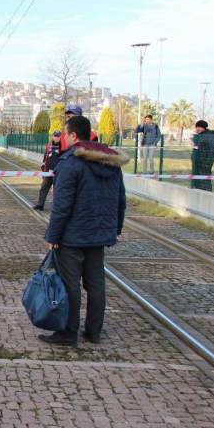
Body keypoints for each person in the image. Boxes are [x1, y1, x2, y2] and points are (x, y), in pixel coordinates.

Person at [41, 115, 128, 347]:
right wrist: (115, 228)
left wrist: (52, 235)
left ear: (73, 135)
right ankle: (93, 332)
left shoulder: (70, 162)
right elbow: (120, 199)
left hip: (72, 235)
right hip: (99, 235)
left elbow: (62, 205)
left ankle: (69, 333)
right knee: (96, 284)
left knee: (71, 284)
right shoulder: (110, 161)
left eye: (65, 134)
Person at [33, 130, 62, 210]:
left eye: (58, 136)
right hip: (48, 172)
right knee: (43, 188)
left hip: (58, 172)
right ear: (53, 136)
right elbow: (45, 157)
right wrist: (43, 169)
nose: (56, 138)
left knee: (57, 191)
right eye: (55, 136)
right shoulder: (49, 145)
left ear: (60, 137)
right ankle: (40, 204)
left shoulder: (62, 146)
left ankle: (56, 207)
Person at [191, 120, 214, 192]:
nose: (197, 129)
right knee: (200, 178)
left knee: (204, 179)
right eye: (196, 127)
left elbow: (199, 144)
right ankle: (200, 190)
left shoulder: (207, 136)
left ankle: (206, 192)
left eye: (199, 127)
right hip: (200, 160)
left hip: (204, 161)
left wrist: (194, 138)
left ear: (204, 128)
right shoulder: (204, 135)